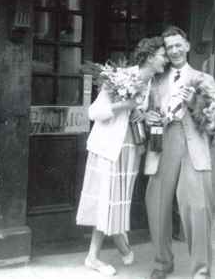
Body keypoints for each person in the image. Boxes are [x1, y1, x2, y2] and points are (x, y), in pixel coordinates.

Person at [76, 37, 167, 276]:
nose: (165, 59)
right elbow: (94, 112)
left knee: (118, 201)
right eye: (162, 55)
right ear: (149, 57)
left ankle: (121, 245)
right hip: (108, 148)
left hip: (130, 149)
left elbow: (143, 115)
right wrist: (123, 107)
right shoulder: (120, 77)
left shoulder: (152, 84)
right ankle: (93, 258)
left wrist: (145, 117)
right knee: (108, 200)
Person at [144, 26, 215, 279]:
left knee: (197, 208)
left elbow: (213, 122)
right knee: (157, 205)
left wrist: (192, 103)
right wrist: (150, 117)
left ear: (187, 46)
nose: (174, 50)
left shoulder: (203, 79)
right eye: (169, 47)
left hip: (193, 145)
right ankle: (162, 264)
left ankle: (201, 271)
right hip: (162, 144)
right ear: (165, 51)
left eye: (178, 45)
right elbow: (147, 113)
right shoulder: (156, 80)